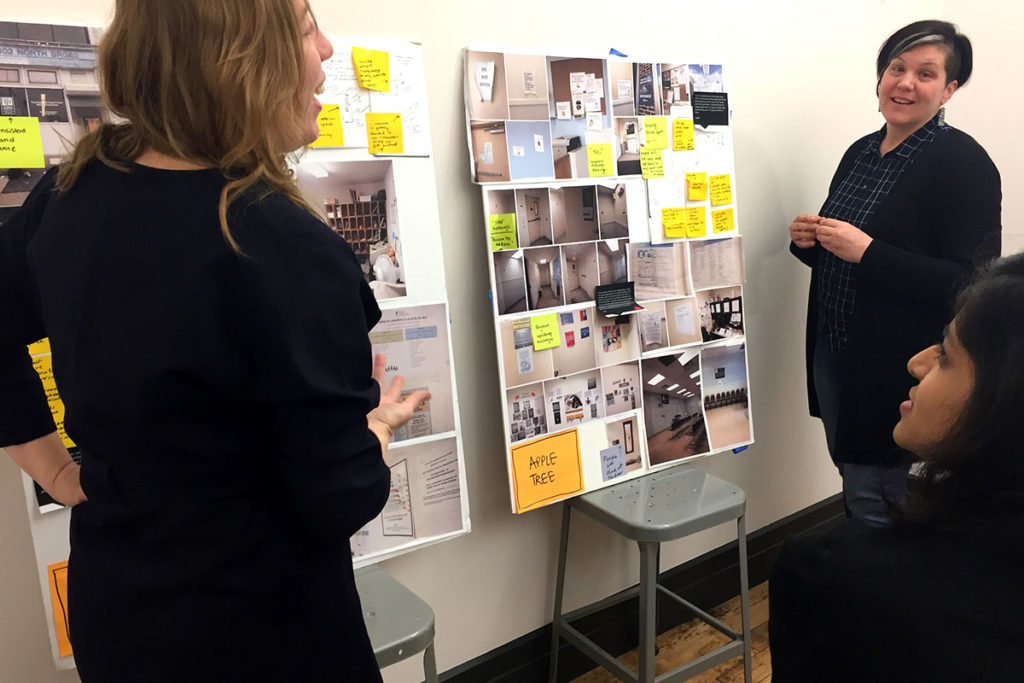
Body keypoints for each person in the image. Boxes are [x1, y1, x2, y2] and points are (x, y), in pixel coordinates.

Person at [0, 1, 427, 681]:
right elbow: (339, 498)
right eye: (304, 28)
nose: (327, 49)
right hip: (262, 633)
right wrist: (374, 429)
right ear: (236, 59)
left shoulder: (65, 197)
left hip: (120, 616)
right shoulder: (285, 247)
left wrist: (55, 471)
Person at [769, 253, 1024, 681]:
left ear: (1005, 401)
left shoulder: (831, 579)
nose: (917, 363)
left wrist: (868, 251)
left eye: (945, 354)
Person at [788, 20, 1001, 524]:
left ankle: (878, 593)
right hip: (833, 348)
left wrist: (868, 251)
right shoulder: (861, 152)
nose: (905, 83)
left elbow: (971, 284)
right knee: (852, 471)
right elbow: (844, 252)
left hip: (896, 364)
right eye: (896, 68)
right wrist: (808, 242)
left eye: (925, 73)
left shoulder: (963, 164)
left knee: (877, 494)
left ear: (949, 89)